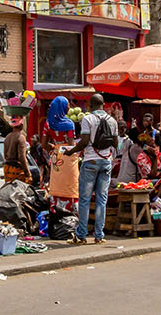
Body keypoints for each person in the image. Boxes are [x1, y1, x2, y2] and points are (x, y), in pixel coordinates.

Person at [63, 93, 116, 245]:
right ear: (103, 104)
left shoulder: (88, 119)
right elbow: (116, 142)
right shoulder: (112, 120)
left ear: (91, 106)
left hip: (90, 162)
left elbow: (85, 141)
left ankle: (81, 236)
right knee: (101, 200)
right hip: (106, 162)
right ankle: (99, 235)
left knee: (85, 200)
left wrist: (71, 151)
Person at [2, 118, 31, 184]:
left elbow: (5, 155)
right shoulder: (21, 137)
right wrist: (28, 173)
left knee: (9, 190)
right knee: (19, 192)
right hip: (17, 169)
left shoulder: (7, 137)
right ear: (21, 126)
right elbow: (22, 157)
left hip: (7, 168)